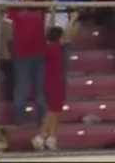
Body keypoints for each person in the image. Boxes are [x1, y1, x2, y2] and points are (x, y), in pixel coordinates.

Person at [32, 13, 79, 151]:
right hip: (54, 83)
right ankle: (40, 136)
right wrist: (73, 19)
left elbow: (56, 31)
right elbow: (68, 35)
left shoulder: (51, 46)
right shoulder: (54, 47)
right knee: (52, 111)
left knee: (57, 111)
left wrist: (52, 16)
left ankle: (51, 138)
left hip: (56, 81)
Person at [4, 0, 47, 125]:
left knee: (40, 88)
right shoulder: (14, 7)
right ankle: (18, 120)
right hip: (22, 54)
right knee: (21, 87)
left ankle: (42, 120)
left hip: (39, 53)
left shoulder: (42, 6)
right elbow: (7, 27)